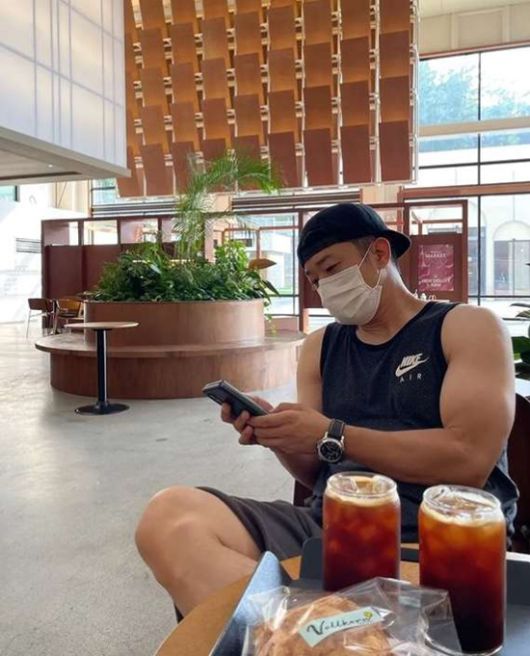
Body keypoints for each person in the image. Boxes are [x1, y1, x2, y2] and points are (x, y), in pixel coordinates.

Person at [135, 203, 517, 616]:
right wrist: (281, 436)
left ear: (380, 253)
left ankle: (312, 626)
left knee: (225, 593)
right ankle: (329, 627)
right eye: (315, 280)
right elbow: (316, 471)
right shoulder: (320, 347)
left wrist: (333, 433)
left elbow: (469, 460)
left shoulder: (466, 327)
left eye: (332, 268)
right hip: (330, 528)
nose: (325, 286)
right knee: (167, 518)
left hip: (440, 536)